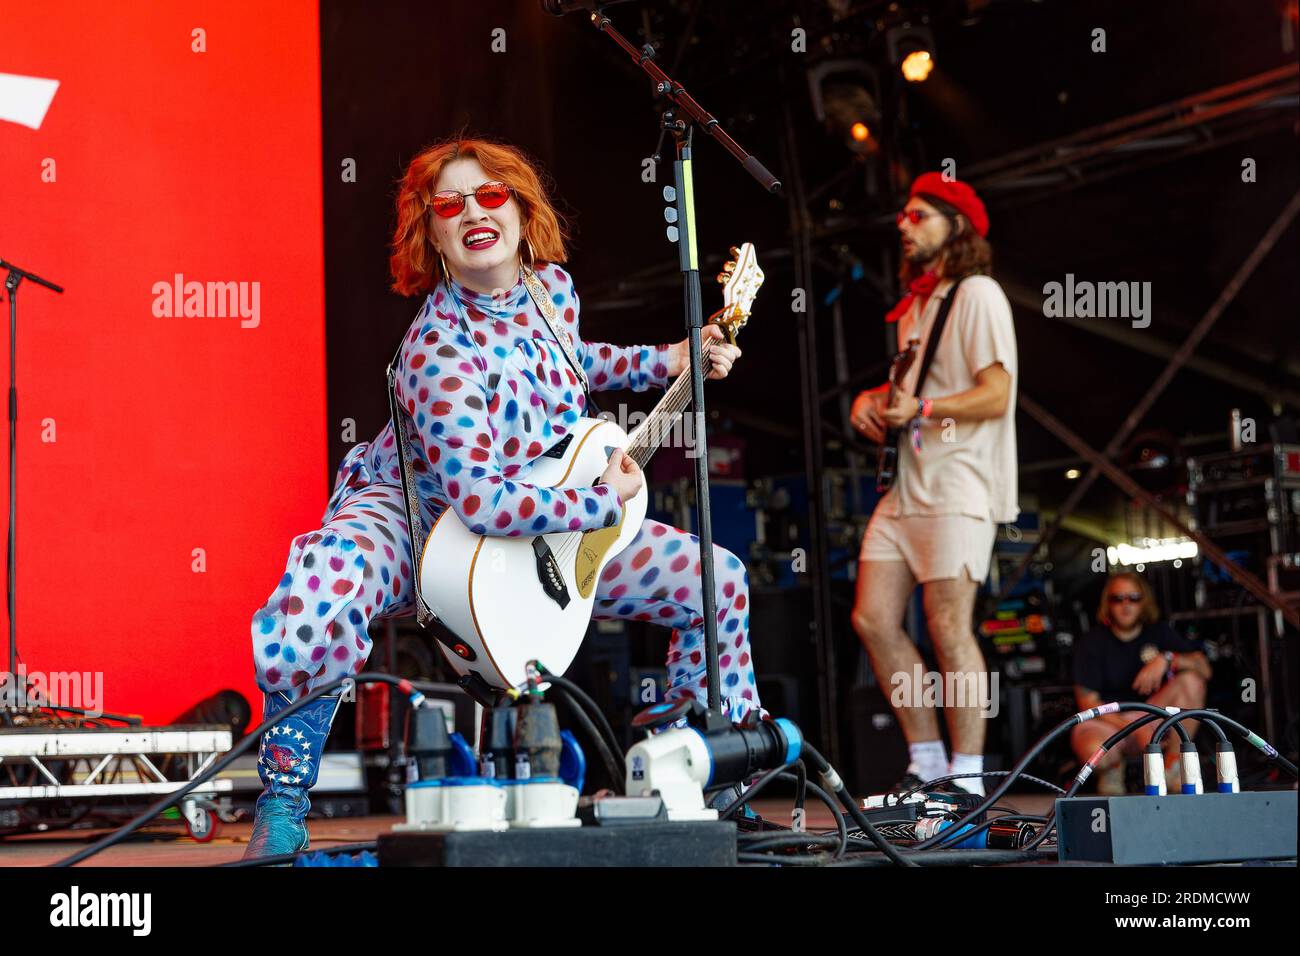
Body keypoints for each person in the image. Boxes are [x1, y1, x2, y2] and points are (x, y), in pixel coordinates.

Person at [243, 138, 762, 858]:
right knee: (322, 588)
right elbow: (482, 501)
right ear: (431, 233)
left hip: (544, 512)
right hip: (419, 514)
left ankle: (702, 774)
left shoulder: (553, 291)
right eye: (448, 205)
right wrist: (602, 507)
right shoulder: (438, 350)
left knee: (717, 581)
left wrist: (672, 361)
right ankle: (284, 799)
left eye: (490, 196)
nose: (472, 213)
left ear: (521, 210)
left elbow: (576, 358)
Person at [848, 172, 1018, 796]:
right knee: (872, 618)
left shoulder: (977, 294)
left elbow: (996, 393)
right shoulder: (915, 307)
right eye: (904, 215)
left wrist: (918, 411)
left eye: (920, 215)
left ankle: (969, 778)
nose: (904, 224)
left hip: (959, 484)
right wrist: (874, 401)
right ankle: (927, 762)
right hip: (909, 487)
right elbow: (916, 394)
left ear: (957, 225)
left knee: (948, 624)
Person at [1070, 571, 1210, 794]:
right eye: (1118, 598)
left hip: (1153, 715)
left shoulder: (1159, 632)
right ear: (1108, 603)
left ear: (1144, 601)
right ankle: (1113, 771)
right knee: (1091, 747)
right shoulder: (1092, 642)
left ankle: (1172, 765)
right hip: (1109, 721)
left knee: (1191, 681)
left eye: (1133, 598)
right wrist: (1134, 730)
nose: (1126, 605)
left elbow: (1204, 669)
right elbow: (1088, 704)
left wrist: (1168, 659)